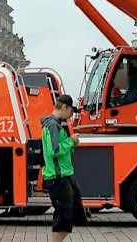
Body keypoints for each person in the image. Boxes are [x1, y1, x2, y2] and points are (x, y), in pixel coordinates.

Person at [42, 95, 86, 242]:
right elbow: (53, 151)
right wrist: (71, 141)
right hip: (57, 178)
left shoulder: (54, 124)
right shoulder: (53, 125)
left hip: (64, 176)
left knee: (74, 214)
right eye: (70, 112)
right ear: (64, 107)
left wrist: (71, 144)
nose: (71, 116)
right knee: (64, 216)